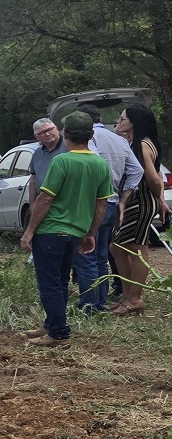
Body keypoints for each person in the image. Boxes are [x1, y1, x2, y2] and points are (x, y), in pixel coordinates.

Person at [20, 112, 113, 346]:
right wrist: (90, 233)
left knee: (50, 282)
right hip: (76, 232)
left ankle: (59, 333)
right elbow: (101, 203)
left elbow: (45, 199)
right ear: (92, 135)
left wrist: (29, 230)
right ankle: (53, 324)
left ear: (65, 134)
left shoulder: (61, 161)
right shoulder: (101, 163)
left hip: (51, 231)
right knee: (61, 281)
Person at [74, 104, 143, 312]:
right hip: (112, 203)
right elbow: (136, 170)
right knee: (101, 255)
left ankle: (90, 305)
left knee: (85, 254)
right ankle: (100, 301)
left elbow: (94, 163)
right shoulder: (119, 140)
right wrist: (123, 198)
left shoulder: (89, 138)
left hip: (91, 203)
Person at [109, 104, 169, 315]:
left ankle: (134, 298)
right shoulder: (136, 142)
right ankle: (127, 296)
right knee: (118, 248)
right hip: (136, 200)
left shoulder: (143, 145)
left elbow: (154, 178)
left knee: (138, 249)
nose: (120, 121)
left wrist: (159, 199)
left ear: (134, 122)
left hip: (142, 200)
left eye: (123, 118)